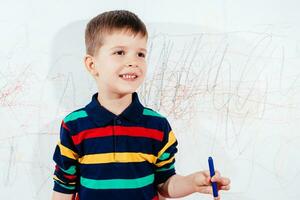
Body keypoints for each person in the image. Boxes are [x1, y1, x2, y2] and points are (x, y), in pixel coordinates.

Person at [51, 10, 230, 200]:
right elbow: (63, 188)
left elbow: (165, 184)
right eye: (120, 52)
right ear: (92, 65)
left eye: (140, 54)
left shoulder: (157, 125)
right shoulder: (73, 125)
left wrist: (192, 182)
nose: (133, 62)